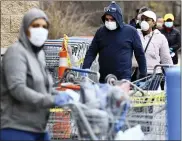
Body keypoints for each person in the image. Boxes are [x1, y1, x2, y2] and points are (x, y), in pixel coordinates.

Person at [0, 8, 73, 141]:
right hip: (17, 128)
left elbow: (44, 87)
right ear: (26, 28)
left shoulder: (39, 55)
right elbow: (17, 88)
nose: (40, 30)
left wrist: (62, 95)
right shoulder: (15, 52)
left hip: (39, 128)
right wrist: (50, 100)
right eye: (35, 26)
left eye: (44, 27)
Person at [82, 1, 147, 86]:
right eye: (107, 19)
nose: (109, 21)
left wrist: (143, 75)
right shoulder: (101, 32)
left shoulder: (130, 32)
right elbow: (91, 52)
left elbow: (140, 54)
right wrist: (85, 69)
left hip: (123, 80)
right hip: (104, 79)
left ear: (118, 18)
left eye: (112, 19)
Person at [136, 10, 173, 90]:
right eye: (142, 19)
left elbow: (165, 58)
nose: (144, 22)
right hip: (136, 74)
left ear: (154, 22)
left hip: (153, 75)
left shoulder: (160, 38)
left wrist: (171, 76)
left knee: (150, 100)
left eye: (147, 20)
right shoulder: (134, 34)